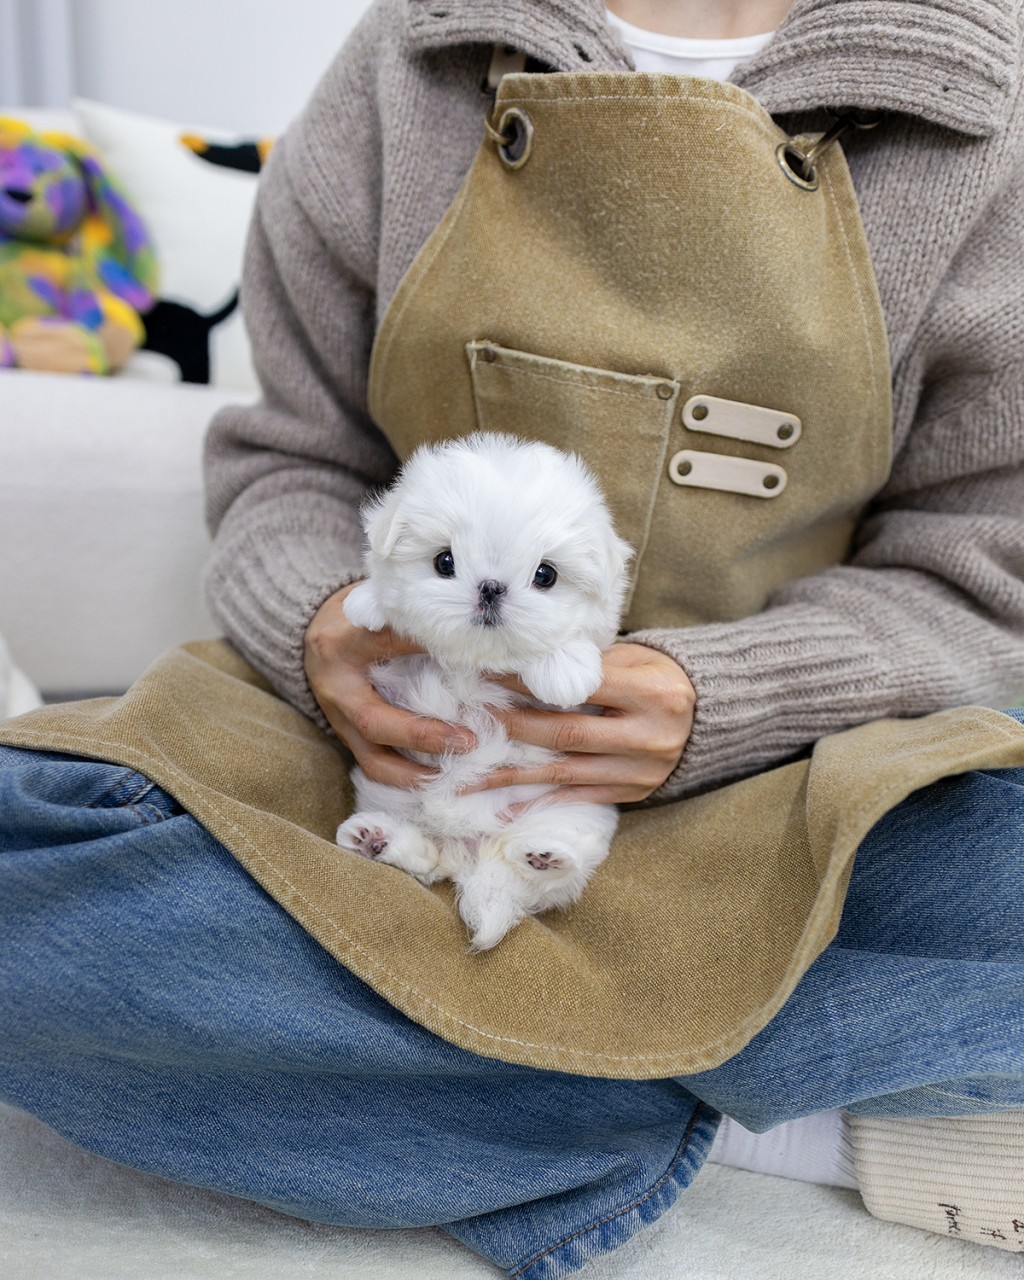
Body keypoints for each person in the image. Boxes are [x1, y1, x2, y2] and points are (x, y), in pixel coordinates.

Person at [2, 1, 1024, 1275]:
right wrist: (322, 625)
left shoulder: (984, 104)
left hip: (792, 793)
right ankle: (772, 1112)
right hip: (394, 753)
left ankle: (428, 1066)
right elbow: (293, 458)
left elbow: (982, 562)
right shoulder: (411, 55)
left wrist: (729, 695)